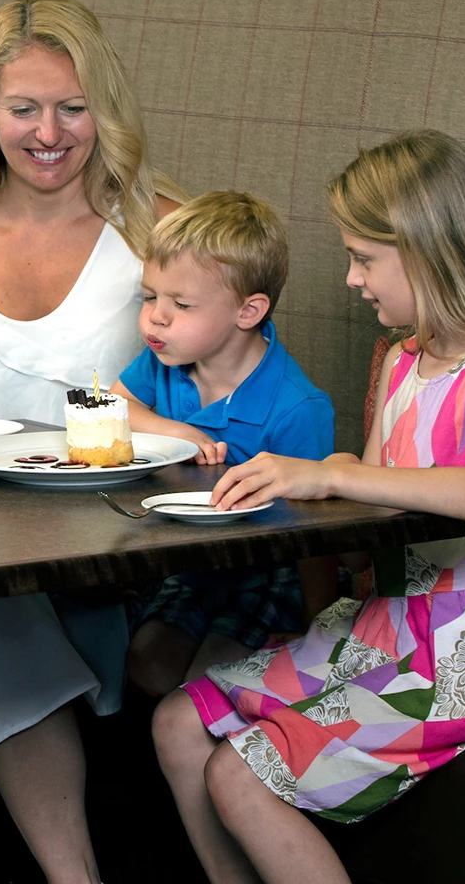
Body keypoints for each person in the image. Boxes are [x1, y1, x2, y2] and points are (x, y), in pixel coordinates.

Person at [152, 129, 465, 884]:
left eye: (365, 258)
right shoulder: (399, 360)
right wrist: (309, 497)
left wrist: (339, 473)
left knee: (239, 773)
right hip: (381, 626)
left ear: (429, 250)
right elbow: (380, 520)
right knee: (176, 723)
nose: (354, 280)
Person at [0, 0, 183, 884]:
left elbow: (228, 411)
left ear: (106, 106)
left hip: (117, 563)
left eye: (73, 105)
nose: (48, 132)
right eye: (24, 108)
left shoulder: (162, 235)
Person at [114, 191, 339, 699]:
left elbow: (318, 539)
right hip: (193, 566)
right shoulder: (163, 361)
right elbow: (113, 410)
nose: (156, 318)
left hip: (270, 570)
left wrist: (318, 631)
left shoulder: (294, 408)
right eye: (150, 297)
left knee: (210, 683)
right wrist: (177, 432)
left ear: (247, 310)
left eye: (181, 304)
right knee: (144, 662)